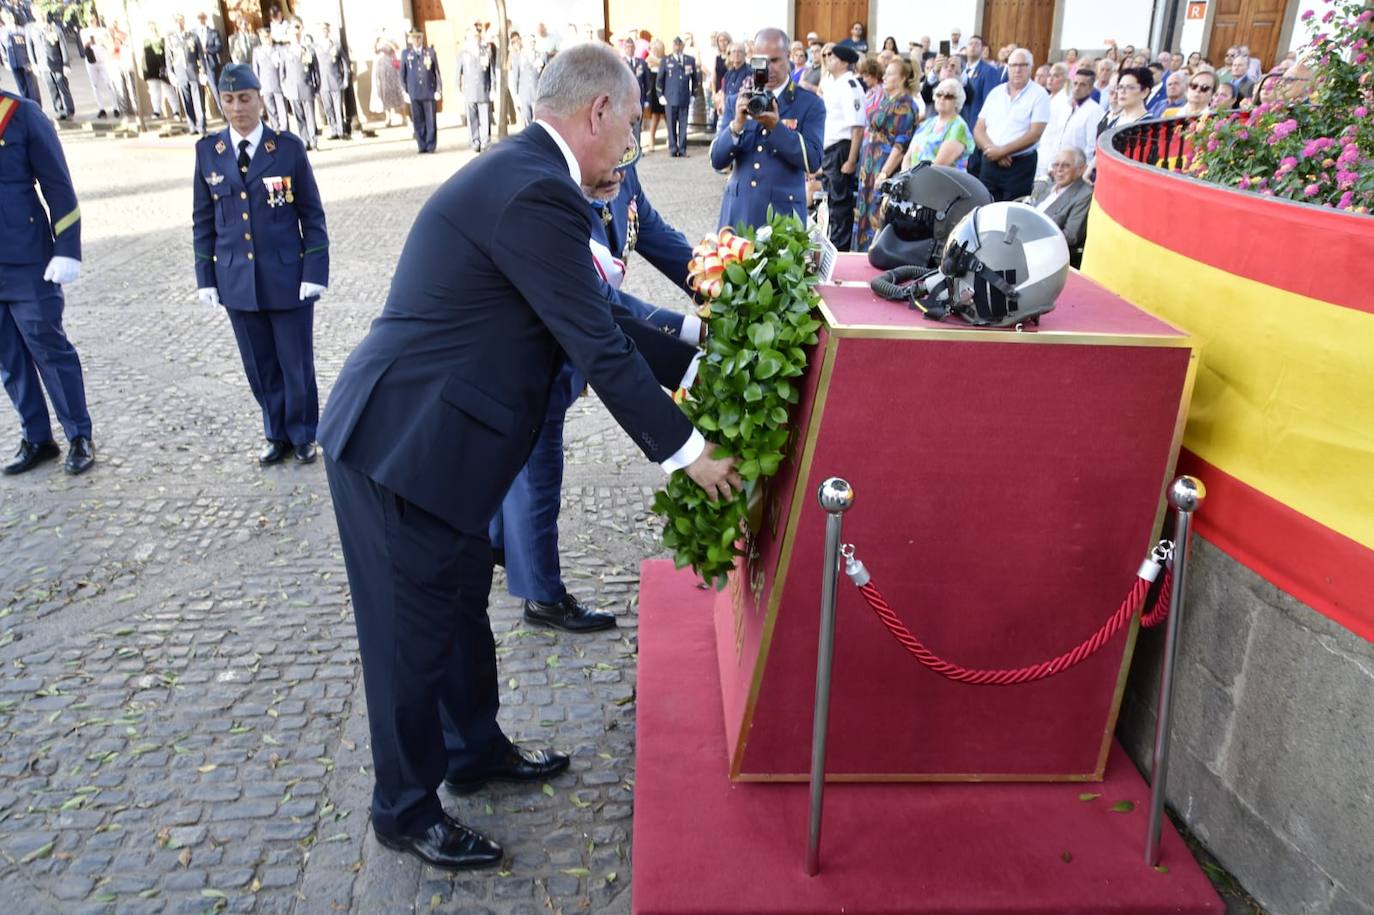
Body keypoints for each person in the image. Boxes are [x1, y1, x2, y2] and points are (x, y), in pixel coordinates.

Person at [317, 41, 740, 870]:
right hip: (401, 446)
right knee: (410, 636)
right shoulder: (535, 191)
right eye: (630, 128)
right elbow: (597, 344)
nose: (631, 146)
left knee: (460, 604)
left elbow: (602, 321)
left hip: (446, 448)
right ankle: (402, 808)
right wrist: (689, 451)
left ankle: (474, 751)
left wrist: (702, 365)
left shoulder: (533, 178)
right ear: (598, 113)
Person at [491, 158, 702, 633]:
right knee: (538, 471)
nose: (623, 170)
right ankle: (542, 596)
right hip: (538, 348)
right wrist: (691, 331)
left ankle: (500, 540)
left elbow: (657, 236)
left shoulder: (618, 170)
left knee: (520, 463)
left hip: (571, 343)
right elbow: (602, 304)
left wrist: (713, 280)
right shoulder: (555, 191)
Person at [192, 63, 329, 467]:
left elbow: (312, 214)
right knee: (259, 364)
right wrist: (206, 277)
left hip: (287, 276)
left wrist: (314, 272)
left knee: (295, 362)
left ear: (261, 101)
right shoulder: (208, 152)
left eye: (245, 99)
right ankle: (275, 432)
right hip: (237, 279)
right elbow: (203, 219)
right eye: (229, 100)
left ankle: (304, 433)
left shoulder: (286, 149)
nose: (238, 109)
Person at [0, 86, 94, 476]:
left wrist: (67, 247)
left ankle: (78, 435)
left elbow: (57, 183)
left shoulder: (19, 113)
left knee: (48, 347)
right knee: (8, 358)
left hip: (27, 259)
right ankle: (37, 437)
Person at [711, 28, 824, 231]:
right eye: (762, 61)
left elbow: (813, 161)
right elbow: (717, 160)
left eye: (775, 60)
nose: (769, 69)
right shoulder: (738, 101)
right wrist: (736, 126)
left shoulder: (809, 104)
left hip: (782, 219)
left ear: (788, 57)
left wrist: (776, 129)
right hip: (739, 214)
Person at [855, 60, 918, 250]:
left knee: (877, 215)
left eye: (890, 73)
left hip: (884, 166)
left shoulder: (905, 104)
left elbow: (901, 145)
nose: (884, 77)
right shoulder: (886, 100)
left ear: (903, 78)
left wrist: (884, 173)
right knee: (865, 215)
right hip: (870, 166)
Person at [973, 48, 1050, 202]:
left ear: (1031, 67)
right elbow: (979, 129)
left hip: (1019, 166)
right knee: (984, 206)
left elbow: (1034, 134)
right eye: (1013, 65)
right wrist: (992, 150)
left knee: (1011, 212)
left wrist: (1002, 151)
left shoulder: (1039, 95)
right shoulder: (996, 93)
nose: (1018, 70)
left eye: (1023, 65)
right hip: (990, 162)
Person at [819, 44, 865, 250]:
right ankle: (833, 241)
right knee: (830, 199)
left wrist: (851, 159)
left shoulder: (850, 85)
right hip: (830, 148)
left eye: (833, 57)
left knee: (840, 202)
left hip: (842, 149)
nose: (829, 59)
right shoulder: (834, 84)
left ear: (845, 62)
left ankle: (841, 246)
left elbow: (857, 127)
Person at [1026, 147, 1092, 267]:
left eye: (1066, 165)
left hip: (1044, 253)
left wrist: (1033, 239)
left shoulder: (1084, 194)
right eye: (1056, 165)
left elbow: (1071, 236)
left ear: (1081, 169)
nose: (1059, 170)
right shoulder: (1048, 186)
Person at [1037, 66, 1102, 181]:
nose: (1077, 88)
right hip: (1057, 167)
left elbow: (1091, 146)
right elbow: (1058, 137)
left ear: (1091, 88)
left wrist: (1081, 171)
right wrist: (1052, 164)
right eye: (1075, 83)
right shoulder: (1067, 106)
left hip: (1075, 171)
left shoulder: (1095, 111)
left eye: (1082, 85)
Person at [905, 76, 974, 170]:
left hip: (941, 182)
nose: (942, 98)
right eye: (939, 94)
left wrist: (913, 178)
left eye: (948, 96)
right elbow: (908, 155)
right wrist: (905, 175)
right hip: (914, 180)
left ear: (958, 101)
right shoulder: (927, 123)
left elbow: (939, 165)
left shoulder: (959, 127)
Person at [960, 34, 1006, 171]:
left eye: (977, 44)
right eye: (970, 44)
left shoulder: (989, 71)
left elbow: (990, 103)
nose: (973, 46)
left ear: (982, 49)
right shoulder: (960, 70)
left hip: (974, 128)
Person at [400, 28, 440, 154]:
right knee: (418, 120)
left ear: (422, 38)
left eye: (419, 37)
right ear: (410, 39)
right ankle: (421, 145)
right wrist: (404, 91)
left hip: (428, 91)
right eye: (414, 37)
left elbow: (436, 72)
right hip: (414, 92)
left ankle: (430, 145)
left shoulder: (430, 52)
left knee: (430, 120)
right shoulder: (406, 54)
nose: (416, 40)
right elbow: (402, 74)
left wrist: (438, 89)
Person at [657, 36, 697, 157]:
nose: (677, 47)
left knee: (684, 125)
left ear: (682, 46)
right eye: (675, 45)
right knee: (671, 124)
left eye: (680, 45)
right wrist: (660, 95)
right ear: (673, 46)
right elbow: (660, 79)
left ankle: (683, 148)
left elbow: (695, 79)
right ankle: (673, 148)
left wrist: (693, 94)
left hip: (684, 96)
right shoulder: (666, 60)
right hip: (670, 97)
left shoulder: (689, 60)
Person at [281, 23, 319, 149]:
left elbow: (315, 70)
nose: (296, 37)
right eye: (293, 35)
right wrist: (285, 88)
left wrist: (316, 86)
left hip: (306, 86)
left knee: (310, 116)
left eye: (298, 35)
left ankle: (313, 140)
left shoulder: (308, 50)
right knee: (299, 117)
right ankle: (304, 140)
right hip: (293, 89)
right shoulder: (285, 52)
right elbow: (282, 73)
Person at [456, 27, 493, 153]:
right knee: (472, 118)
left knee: (485, 117)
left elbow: (491, 72)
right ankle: (475, 141)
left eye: (477, 37)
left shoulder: (485, 52)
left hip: (483, 89)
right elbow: (458, 73)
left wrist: (492, 88)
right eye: (473, 37)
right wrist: (458, 89)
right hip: (469, 91)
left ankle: (485, 141)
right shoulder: (463, 53)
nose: (476, 39)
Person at [32, 20, 74, 120]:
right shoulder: (33, 30)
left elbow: (63, 46)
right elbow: (31, 47)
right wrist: (34, 64)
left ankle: (70, 110)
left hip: (58, 63)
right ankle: (59, 110)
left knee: (63, 88)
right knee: (52, 90)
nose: (39, 16)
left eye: (41, 14)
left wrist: (66, 63)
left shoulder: (55, 29)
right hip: (43, 65)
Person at [317, 22, 350, 140]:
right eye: (322, 30)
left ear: (328, 31)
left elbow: (345, 62)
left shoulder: (335, 44)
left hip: (336, 81)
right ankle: (333, 130)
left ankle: (341, 131)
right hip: (323, 83)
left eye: (326, 29)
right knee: (328, 108)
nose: (324, 32)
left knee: (338, 107)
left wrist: (346, 78)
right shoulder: (316, 47)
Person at [80, 26, 120, 118]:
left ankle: (115, 107)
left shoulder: (102, 30)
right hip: (91, 60)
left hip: (103, 59)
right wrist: (92, 41)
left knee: (109, 83)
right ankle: (101, 108)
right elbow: (85, 44)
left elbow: (108, 42)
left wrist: (102, 40)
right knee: (95, 85)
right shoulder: (84, 31)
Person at [1, 9, 40, 103]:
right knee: (22, 87)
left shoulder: (22, 30)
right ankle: (28, 108)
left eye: (10, 16)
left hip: (26, 62)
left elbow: (29, 46)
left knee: (33, 89)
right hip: (14, 63)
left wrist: (33, 61)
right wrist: (5, 61)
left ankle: (37, 107)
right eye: (6, 17)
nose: (9, 19)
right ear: (3, 19)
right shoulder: (2, 32)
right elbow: (2, 48)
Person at [253, 28, 287, 131]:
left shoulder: (278, 49)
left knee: (282, 112)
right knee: (271, 111)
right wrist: (258, 86)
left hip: (278, 84)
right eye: (263, 37)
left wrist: (283, 82)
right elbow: (256, 69)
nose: (266, 39)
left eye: (267, 37)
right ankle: (275, 131)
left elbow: (283, 67)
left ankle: (285, 132)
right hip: (265, 85)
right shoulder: (257, 51)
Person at [370, 33, 406, 126]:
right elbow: (375, 52)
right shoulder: (378, 40)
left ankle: (404, 117)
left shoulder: (391, 39)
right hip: (383, 70)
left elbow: (397, 48)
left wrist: (389, 42)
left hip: (392, 68)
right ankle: (388, 118)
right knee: (385, 94)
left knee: (397, 92)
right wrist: (376, 42)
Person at [195, 12, 224, 118]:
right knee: (198, 90)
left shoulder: (213, 32)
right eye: (198, 18)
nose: (200, 20)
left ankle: (222, 111)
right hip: (197, 64)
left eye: (202, 18)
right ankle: (201, 116)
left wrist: (207, 50)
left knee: (215, 88)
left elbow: (219, 47)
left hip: (210, 63)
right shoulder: (193, 33)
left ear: (205, 19)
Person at [509, 31, 541, 128]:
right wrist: (516, 95)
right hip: (524, 93)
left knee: (537, 120)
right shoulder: (518, 57)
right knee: (527, 119)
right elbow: (515, 77)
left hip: (536, 93)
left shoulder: (540, 56)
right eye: (529, 41)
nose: (532, 44)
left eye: (533, 42)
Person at [716, 41, 746, 133]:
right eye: (734, 52)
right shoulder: (728, 74)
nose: (736, 54)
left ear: (744, 54)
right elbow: (724, 92)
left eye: (739, 51)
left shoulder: (749, 72)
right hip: (728, 114)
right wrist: (722, 104)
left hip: (741, 115)